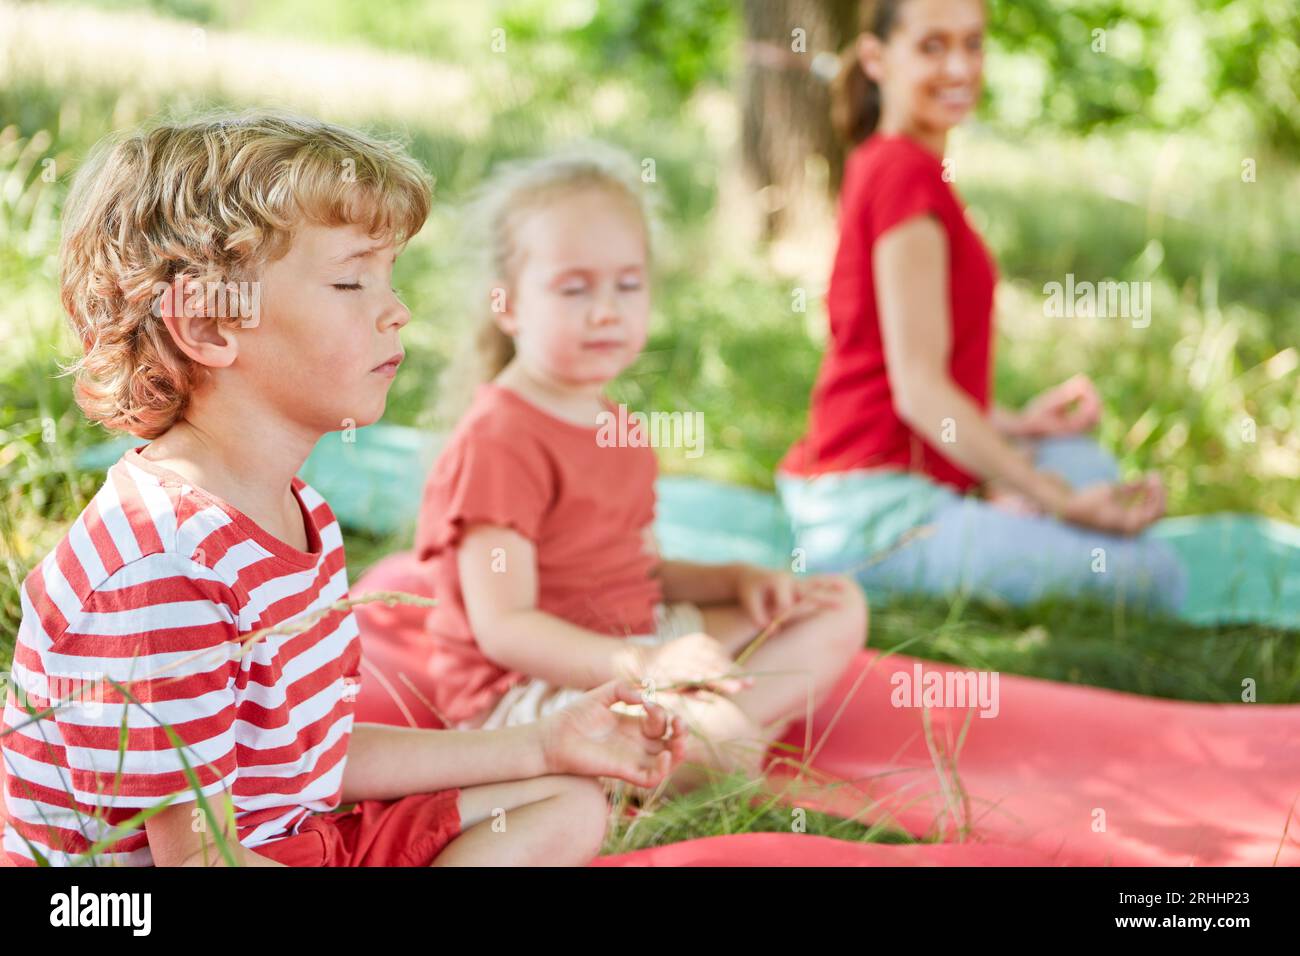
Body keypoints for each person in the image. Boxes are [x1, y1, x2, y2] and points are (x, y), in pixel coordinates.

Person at [0, 110, 683, 868]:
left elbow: (310, 756)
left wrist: (541, 741)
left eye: (389, 278)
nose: (398, 310)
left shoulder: (298, 512)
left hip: (288, 841)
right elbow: (198, 861)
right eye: (351, 279)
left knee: (565, 799)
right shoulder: (162, 570)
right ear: (211, 326)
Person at [354, 145, 867, 793]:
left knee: (833, 605)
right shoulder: (500, 440)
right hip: (533, 692)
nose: (606, 310)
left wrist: (737, 581)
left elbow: (641, 572)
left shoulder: (616, 424)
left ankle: (695, 747)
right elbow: (505, 627)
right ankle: (704, 749)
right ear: (507, 306)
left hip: (634, 640)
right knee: (723, 740)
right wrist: (644, 663)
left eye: (628, 284)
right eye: (574, 288)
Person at [777, 0, 1185, 610]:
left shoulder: (895, 162)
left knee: (1084, 459)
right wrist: (1056, 499)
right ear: (876, 58)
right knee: (1154, 576)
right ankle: (1001, 512)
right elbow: (920, 393)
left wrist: (1018, 426)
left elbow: (902, 374)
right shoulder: (902, 178)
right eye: (933, 46)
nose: (960, 67)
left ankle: (1001, 506)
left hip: (883, 480)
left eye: (973, 43)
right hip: (870, 512)